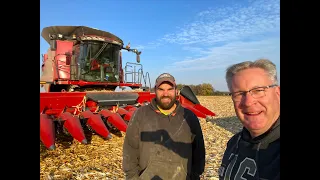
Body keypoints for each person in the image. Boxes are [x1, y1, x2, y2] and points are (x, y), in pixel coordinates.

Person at [122, 73, 206, 180]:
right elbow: (130, 149)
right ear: (155, 91)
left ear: (176, 91)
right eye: (161, 89)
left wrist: (194, 176)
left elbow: (199, 152)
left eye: (170, 89)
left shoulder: (189, 117)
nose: (165, 93)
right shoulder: (140, 115)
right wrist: (132, 177)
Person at [218, 59, 280, 180]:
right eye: (239, 94)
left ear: (277, 93)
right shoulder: (234, 143)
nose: (248, 102)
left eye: (258, 91)